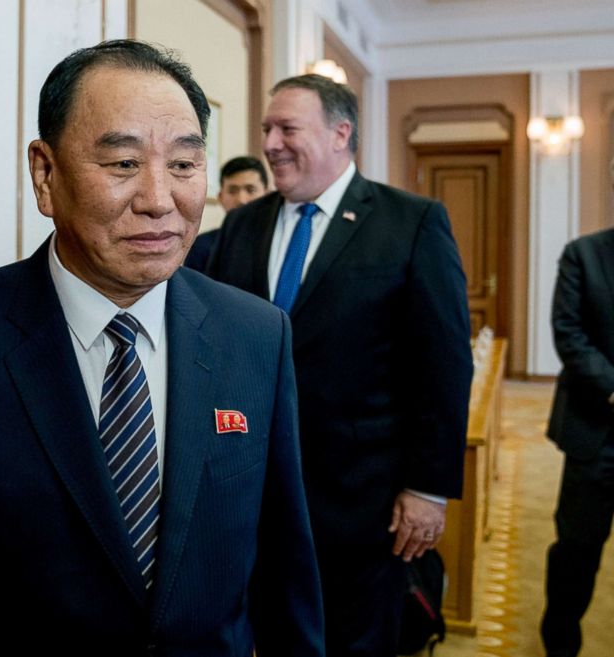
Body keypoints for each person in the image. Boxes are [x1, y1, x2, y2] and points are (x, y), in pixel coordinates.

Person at [0, 40, 324, 657]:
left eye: (184, 165)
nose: (160, 199)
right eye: (123, 163)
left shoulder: (256, 335)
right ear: (45, 174)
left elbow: (285, 581)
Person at [206, 73, 473, 657]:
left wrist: (428, 487)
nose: (271, 143)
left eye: (287, 128)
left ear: (339, 133)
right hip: (249, 488)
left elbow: (443, 364)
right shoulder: (243, 224)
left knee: (354, 640)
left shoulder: (411, 222)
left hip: (361, 500)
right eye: (266, 130)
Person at [540, 160, 614, 657]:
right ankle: (559, 643)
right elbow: (569, 333)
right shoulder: (584, 255)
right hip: (598, 434)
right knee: (576, 554)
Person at [183, 156, 267, 271]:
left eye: (250, 190)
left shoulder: (281, 242)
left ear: (268, 196)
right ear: (221, 197)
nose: (242, 200)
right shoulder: (201, 246)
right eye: (232, 191)